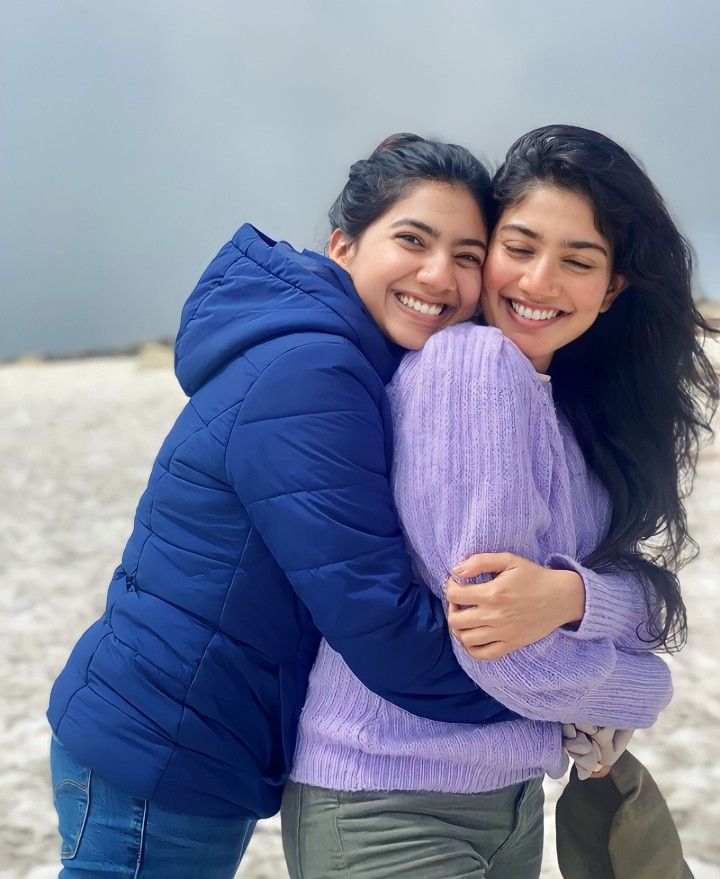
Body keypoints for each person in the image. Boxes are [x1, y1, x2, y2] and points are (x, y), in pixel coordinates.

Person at [47, 134, 524, 878]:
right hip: (165, 744)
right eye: (413, 239)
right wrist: (541, 695)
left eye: (468, 255)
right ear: (344, 246)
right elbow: (376, 616)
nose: (441, 274)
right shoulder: (315, 372)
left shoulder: (341, 356)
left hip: (176, 730)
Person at [282, 125, 719, 878]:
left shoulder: (567, 405)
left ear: (612, 288)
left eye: (578, 262)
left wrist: (574, 596)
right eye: (517, 248)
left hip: (509, 800)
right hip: (390, 800)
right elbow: (508, 651)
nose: (538, 282)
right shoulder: (474, 367)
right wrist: (648, 685)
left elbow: (641, 592)